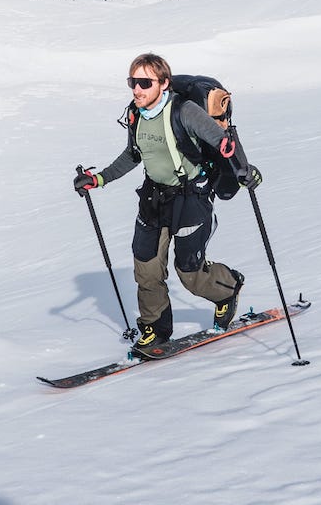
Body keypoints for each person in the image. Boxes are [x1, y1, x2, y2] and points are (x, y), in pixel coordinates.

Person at [73, 53, 259, 357]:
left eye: (144, 83)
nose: (137, 89)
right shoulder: (136, 114)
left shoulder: (184, 111)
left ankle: (228, 288)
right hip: (153, 198)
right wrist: (99, 179)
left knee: (189, 272)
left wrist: (242, 167)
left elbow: (220, 140)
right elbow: (134, 154)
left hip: (190, 198)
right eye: (132, 82)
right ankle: (155, 330)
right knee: (146, 267)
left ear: (163, 84)